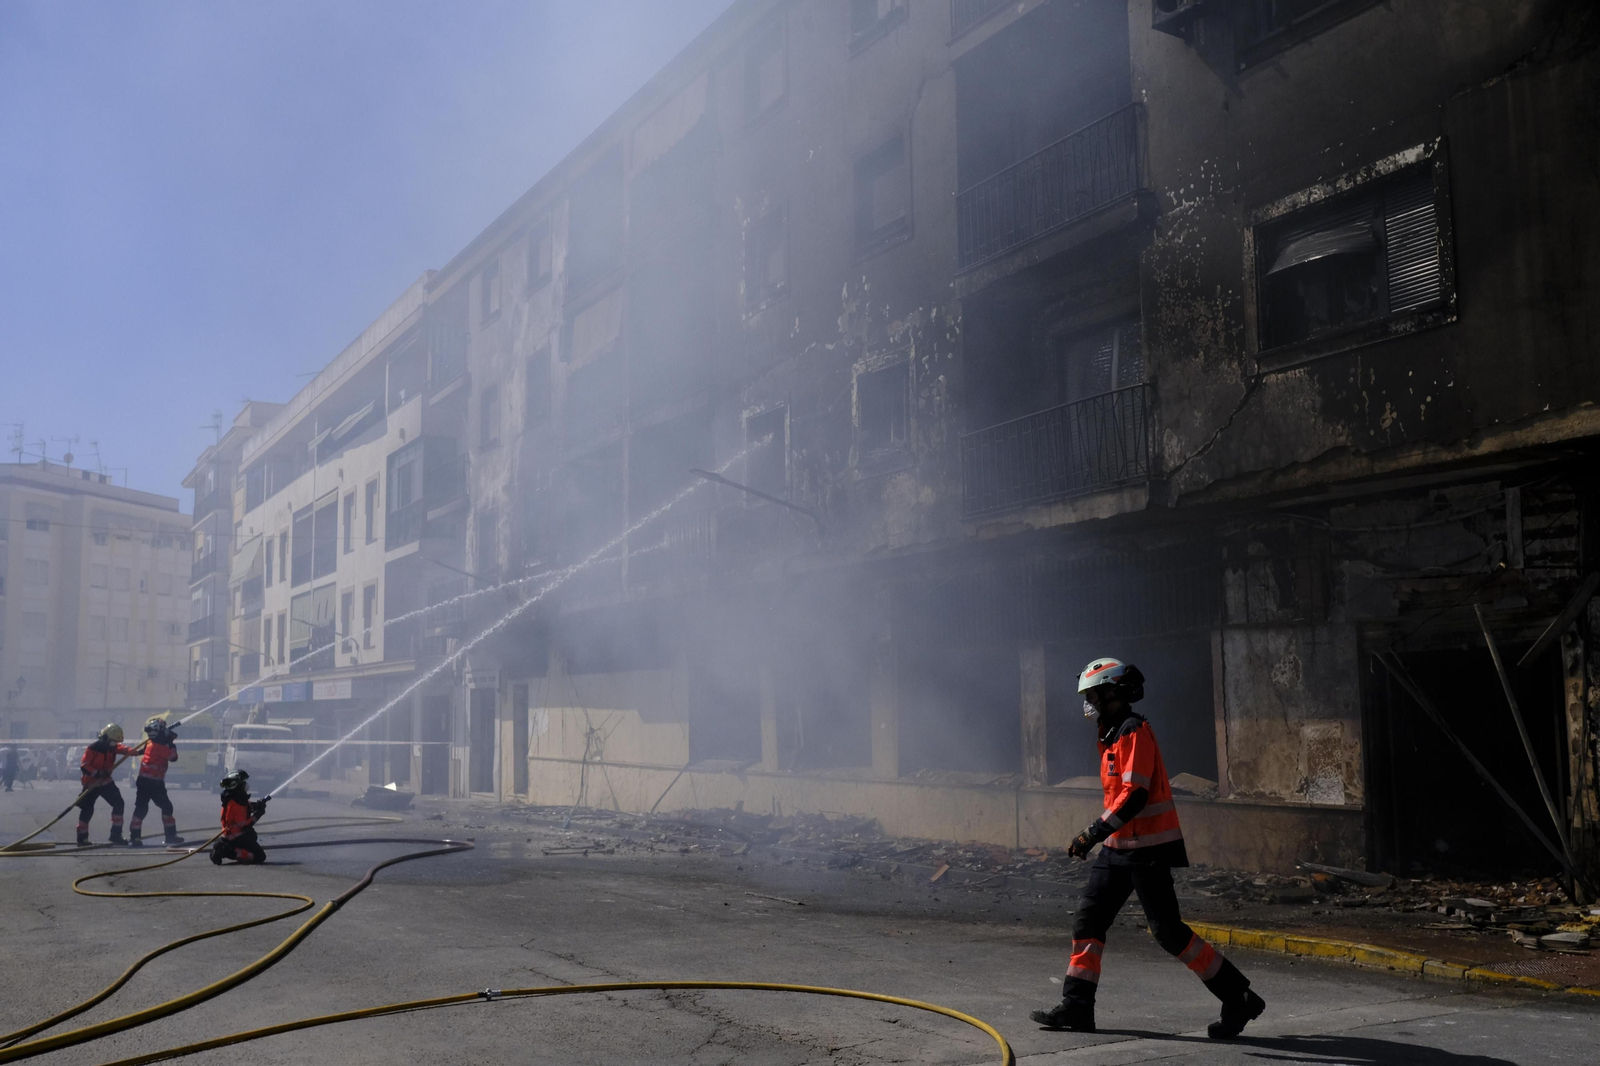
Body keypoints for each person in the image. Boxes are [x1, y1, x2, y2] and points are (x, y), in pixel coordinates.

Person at [1031, 658, 1265, 1039]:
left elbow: (1134, 795)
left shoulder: (1134, 732)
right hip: (1117, 849)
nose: (1090, 703)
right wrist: (1102, 837)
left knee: (1169, 933)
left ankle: (1239, 997)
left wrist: (1091, 833)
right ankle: (1077, 1006)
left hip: (1148, 851)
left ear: (1113, 692)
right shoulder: (1111, 735)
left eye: (1094, 695)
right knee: (1088, 921)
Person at [128, 716, 186, 847]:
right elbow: (173, 757)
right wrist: (170, 742)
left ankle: (135, 837)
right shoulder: (159, 747)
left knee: (141, 808)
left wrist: (166, 738)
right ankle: (170, 836)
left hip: (146, 781)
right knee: (165, 807)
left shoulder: (150, 743)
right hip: (153, 783)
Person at [77, 724, 138, 846]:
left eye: (116, 742)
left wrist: (137, 751)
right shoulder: (92, 749)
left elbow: (124, 749)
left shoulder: (112, 747)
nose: (115, 745)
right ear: (105, 738)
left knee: (119, 804)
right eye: (113, 742)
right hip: (91, 784)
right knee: (87, 810)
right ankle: (82, 838)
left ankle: (115, 835)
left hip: (106, 783)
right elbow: (84, 766)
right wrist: (98, 773)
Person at [210, 770, 269, 865]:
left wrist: (257, 805)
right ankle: (226, 850)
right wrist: (258, 814)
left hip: (229, 835)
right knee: (259, 856)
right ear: (238, 785)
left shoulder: (233, 798)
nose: (246, 785)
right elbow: (245, 825)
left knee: (252, 838)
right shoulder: (237, 803)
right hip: (236, 837)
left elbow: (246, 807)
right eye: (243, 783)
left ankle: (225, 846)